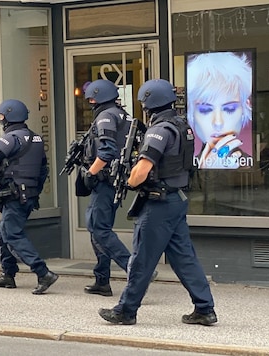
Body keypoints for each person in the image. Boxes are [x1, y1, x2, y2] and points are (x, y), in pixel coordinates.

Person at [98, 79, 217, 326]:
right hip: (176, 199)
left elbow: (143, 169)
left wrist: (129, 181)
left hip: (157, 204)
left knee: (142, 259)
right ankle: (205, 308)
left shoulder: (159, 130)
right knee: (184, 257)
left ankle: (126, 311)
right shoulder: (183, 126)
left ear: (150, 102)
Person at [0, 99, 58, 295]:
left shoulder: (12, 138)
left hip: (15, 194)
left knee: (11, 233)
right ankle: (8, 274)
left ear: (10, 117)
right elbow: (43, 169)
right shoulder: (35, 139)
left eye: (2, 117)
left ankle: (43, 272)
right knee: (4, 229)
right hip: (28, 195)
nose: (1, 121)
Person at [79, 79, 134, 297]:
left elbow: (107, 150)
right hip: (115, 179)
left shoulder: (105, 116)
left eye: (91, 98)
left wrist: (91, 172)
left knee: (98, 228)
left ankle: (135, 271)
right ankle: (102, 280)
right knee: (99, 229)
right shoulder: (123, 115)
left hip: (105, 180)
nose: (90, 102)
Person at [186, 52, 252, 169]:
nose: (218, 122)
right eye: (205, 110)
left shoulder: (250, 165)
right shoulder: (187, 167)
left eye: (229, 109)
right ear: (191, 113)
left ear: (245, 108)